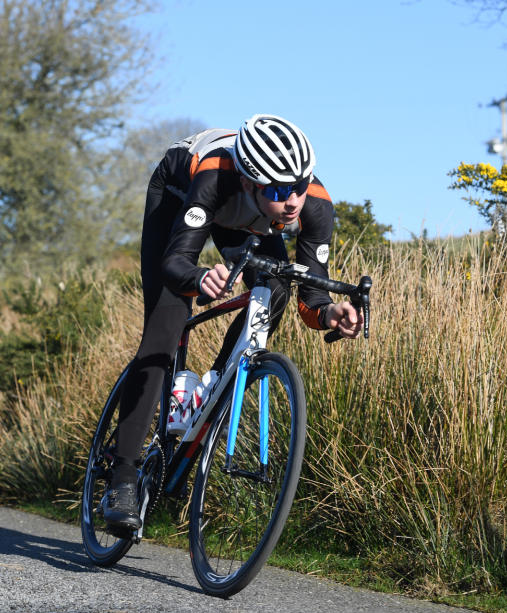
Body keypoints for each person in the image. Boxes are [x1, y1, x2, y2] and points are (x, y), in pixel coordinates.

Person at [103, 114, 364, 532]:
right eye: (280, 190)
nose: (293, 200)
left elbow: (310, 297)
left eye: (299, 185)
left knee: (277, 284)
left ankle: (216, 387)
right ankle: (122, 478)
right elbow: (175, 262)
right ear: (250, 181)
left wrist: (330, 311)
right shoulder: (216, 177)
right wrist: (199, 277)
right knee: (164, 329)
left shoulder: (313, 204)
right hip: (181, 194)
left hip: (245, 215)